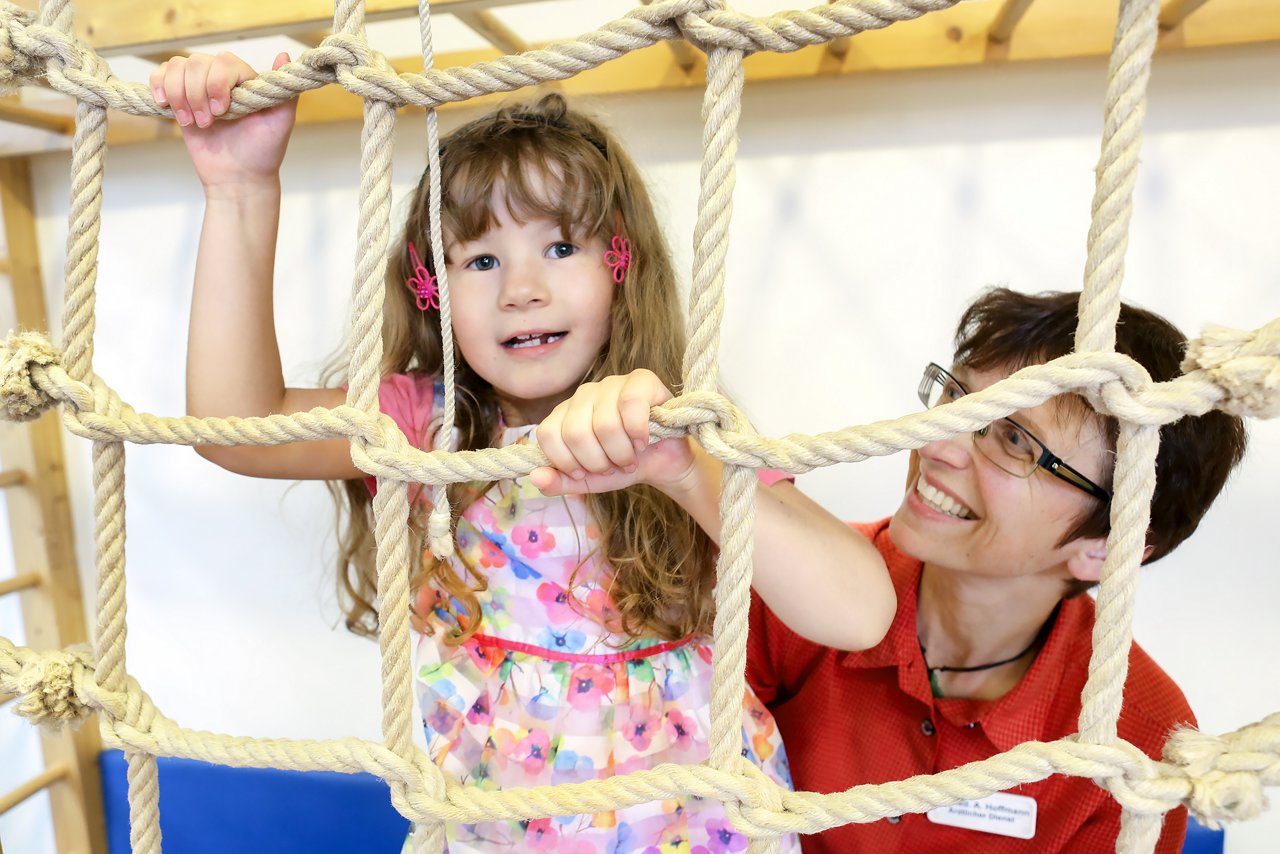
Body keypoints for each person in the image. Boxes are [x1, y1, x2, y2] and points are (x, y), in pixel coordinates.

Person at [151, 52, 896, 852]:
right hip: (498, 828)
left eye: (561, 248)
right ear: (432, 293)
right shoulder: (425, 430)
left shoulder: (676, 425)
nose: (521, 288)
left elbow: (859, 615)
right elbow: (235, 423)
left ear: (622, 266)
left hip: (686, 825)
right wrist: (239, 190)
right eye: (480, 260)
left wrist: (683, 471)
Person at [744, 287, 1248, 853]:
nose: (939, 445)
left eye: (1014, 439)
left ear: (1110, 545)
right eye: (958, 400)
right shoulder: (794, 587)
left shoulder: (1133, 736)